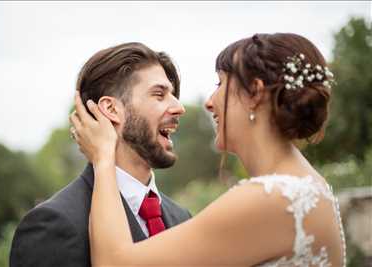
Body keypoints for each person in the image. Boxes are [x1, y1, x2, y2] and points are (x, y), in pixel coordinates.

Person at [71, 33, 346, 266]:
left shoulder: (271, 198)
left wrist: (103, 157)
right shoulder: (305, 187)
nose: (210, 102)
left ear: (256, 93)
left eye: (221, 84)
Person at [9, 42, 191, 267]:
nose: (179, 107)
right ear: (112, 109)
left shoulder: (183, 219)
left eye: (172, 94)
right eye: (159, 94)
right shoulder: (53, 224)